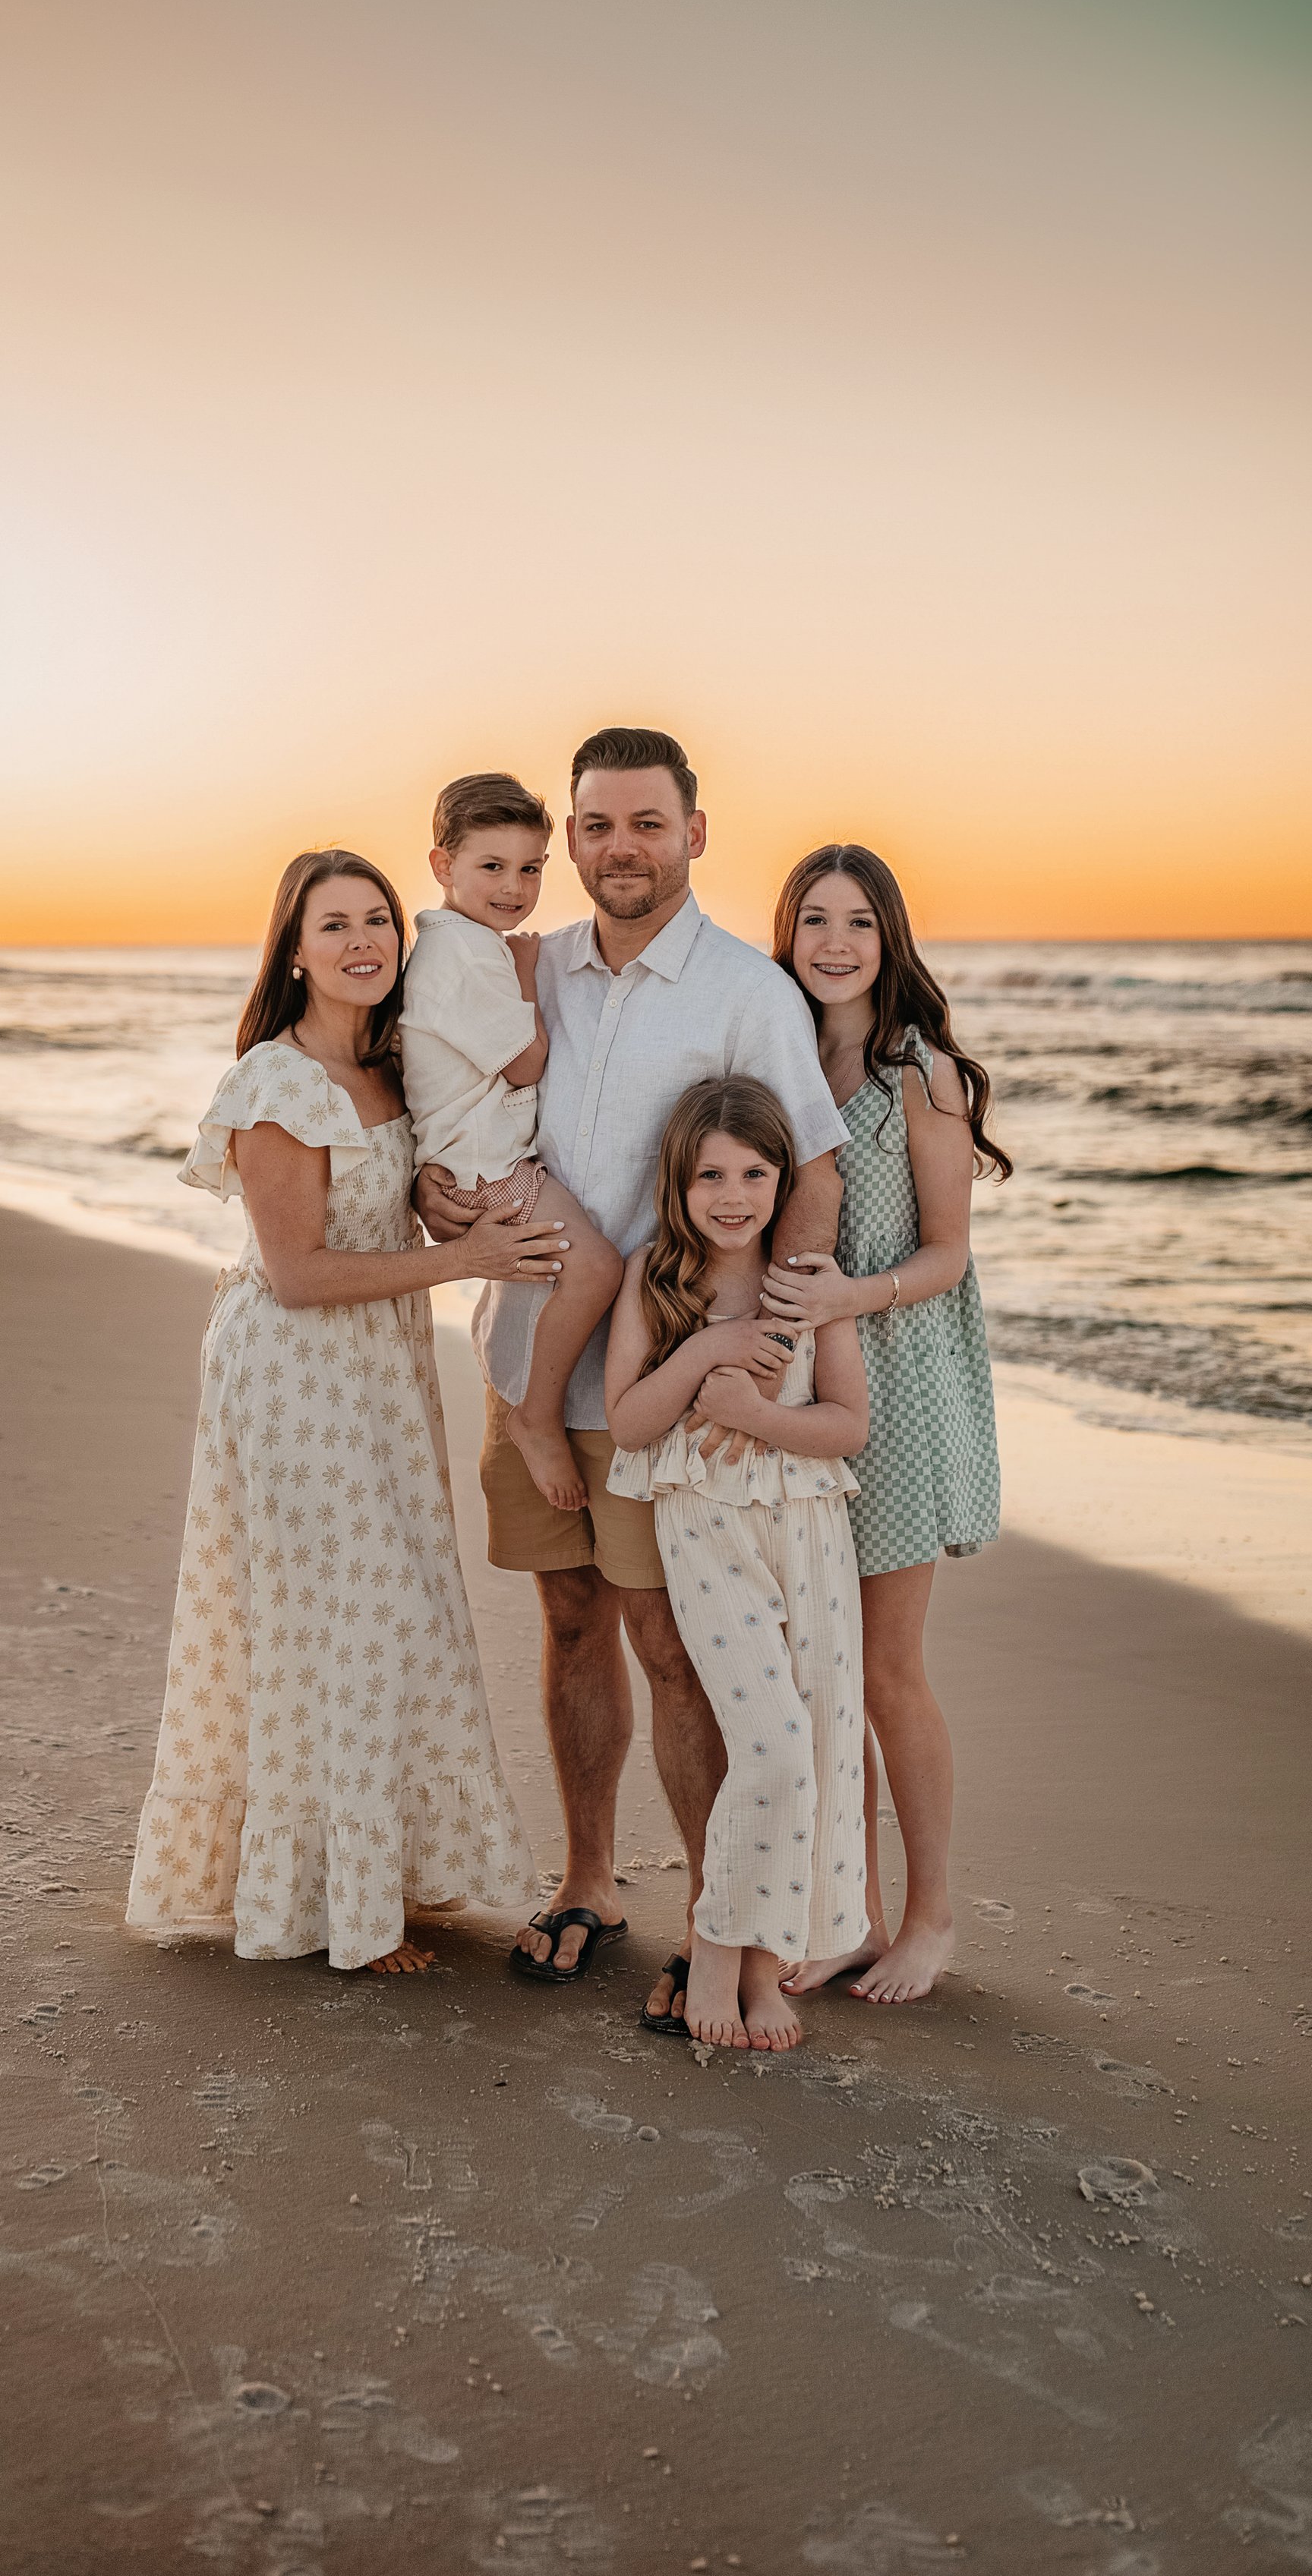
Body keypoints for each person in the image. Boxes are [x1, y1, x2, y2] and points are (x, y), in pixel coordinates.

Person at [415, 727, 847, 2013]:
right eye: (596, 827)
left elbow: (810, 1177)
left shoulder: (747, 993)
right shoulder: (527, 967)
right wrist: (445, 1209)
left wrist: (765, 1367)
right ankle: (588, 1879)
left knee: (676, 1647)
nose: (619, 850)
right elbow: (461, 1111)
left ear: (695, 833)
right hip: (528, 1352)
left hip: (673, 1387)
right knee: (566, 1622)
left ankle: (722, 1925)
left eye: (646, 824)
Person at [125, 847, 554, 1975]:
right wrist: (464, 1254)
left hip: (378, 1368)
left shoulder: (390, 1065)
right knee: (345, 1623)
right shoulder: (281, 1081)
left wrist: (445, 1198)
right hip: (296, 1376)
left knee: (389, 1614)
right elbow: (301, 1272)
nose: (364, 940)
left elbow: (399, 1195)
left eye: (377, 920)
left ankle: (374, 1875)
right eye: (335, 925)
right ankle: (348, 1911)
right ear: (296, 949)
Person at [762, 843, 1008, 2004]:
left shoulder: (925, 1073)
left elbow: (948, 1250)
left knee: (886, 1672)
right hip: (800, 1385)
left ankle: (931, 1917)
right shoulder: (777, 1057)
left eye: (859, 922)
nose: (836, 942)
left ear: (889, 935)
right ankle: (846, 1910)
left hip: (899, 1385)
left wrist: (847, 1298)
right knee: (821, 1669)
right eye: (815, 919)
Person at [604, 1077, 869, 2052]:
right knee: (771, 1747)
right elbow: (630, 1421)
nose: (732, 1194)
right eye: (710, 1173)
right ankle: (716, 1942)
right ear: (678, 1183)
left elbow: (848, 1425)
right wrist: (706, 1349)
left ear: (780, 1179)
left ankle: (768, 1964)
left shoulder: (807, 1281)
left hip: (809, 1533)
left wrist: (759, 1417)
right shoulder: (653, 1277)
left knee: (819, 1746)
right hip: (708, 1537)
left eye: (755, 1173)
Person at [399, 771, 623, 1518]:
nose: (514, 887)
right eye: (491, 867)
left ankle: (529, 1398)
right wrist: (528, 978)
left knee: (585, 1270)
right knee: (594, 1270)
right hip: (489, 1174)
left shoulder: (459, 945)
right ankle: (536, 1411)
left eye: (530, 868)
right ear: (443, 866)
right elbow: (526, 1062)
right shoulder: (466, 956)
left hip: (479, 1165)